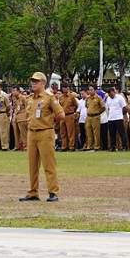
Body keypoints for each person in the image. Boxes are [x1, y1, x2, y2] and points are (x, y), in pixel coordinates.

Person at [19, 72, 65, 202]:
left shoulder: (50, 98)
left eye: (36, 81)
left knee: (49, 164)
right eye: (32, 81)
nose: (33, 83)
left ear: (44, 83)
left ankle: (53, 192)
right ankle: (33, 191)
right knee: (32, 165)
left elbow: (61, 114)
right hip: (32, 133)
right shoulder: (29, 99)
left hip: (45, 132)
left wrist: (50, 122)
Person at [106, 87, 128, 152]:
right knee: (112, 134)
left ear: (114, 92)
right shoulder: (108, 99)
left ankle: (124, 146)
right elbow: (108, 108)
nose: (110, 96)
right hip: (111, 118)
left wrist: (121, 114)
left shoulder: (120, 98)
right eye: (109, 95)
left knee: (122, 133)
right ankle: (112, 146)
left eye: (111, 94)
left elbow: (125, 107)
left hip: (118, 118)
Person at [83, 85, 105, 152]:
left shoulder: (98, 98)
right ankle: (89, 146)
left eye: (91, 90)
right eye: (89, 90)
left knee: (96, 132)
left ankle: (96, 146)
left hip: (96, 116)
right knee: (88, 132)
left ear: (95, 90)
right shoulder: (87, 98)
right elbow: (86, 106)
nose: (90, 91)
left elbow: (103, 108)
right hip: (88, 116)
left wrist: (98, 113)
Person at [58, 83, 79, 151]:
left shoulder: (72, 96)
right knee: (63, 132)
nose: (64, 89)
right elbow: (59, 106)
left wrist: (73, 112)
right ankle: (64, 146)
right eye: (63, 87)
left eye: (65, 87)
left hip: (70, 115)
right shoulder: (61, 97)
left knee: (71, 132)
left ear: (68, 88)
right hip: (63, 115)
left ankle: (71, 146)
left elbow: (76, 105)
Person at [11, 87, 28, 151]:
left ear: (18, 91)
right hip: (16, 117)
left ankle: (26, 146)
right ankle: (17, 146)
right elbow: (15, 108)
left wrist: (26, 116)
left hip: (22, 117)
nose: (13, 92)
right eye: (12, 91)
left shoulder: (23, 98)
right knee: (16, 133)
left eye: (14, 91)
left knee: (23, 133)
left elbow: (27, 107)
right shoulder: (15, 99)